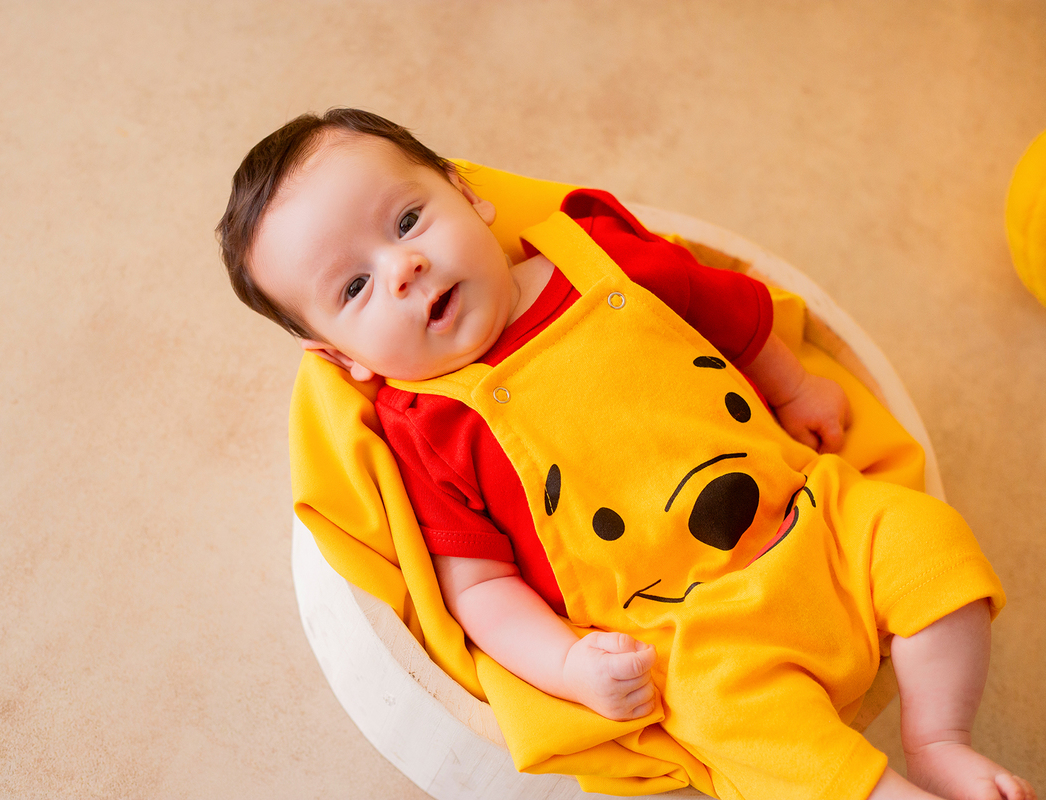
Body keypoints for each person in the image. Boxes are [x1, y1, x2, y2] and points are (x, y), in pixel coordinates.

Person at [217, 108, 1035, 800]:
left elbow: (722, 310)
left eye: (407, 221)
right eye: (354, 287)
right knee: (737, 730)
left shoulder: (597, 256)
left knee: (927, 540)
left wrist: (794, 388)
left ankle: (938, 737)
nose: (403, 268)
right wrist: (569, 664)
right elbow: (480, 588)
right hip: (691, 634)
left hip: (816, 514)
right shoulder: (427, 431)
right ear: (343, 359)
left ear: (469, 197)